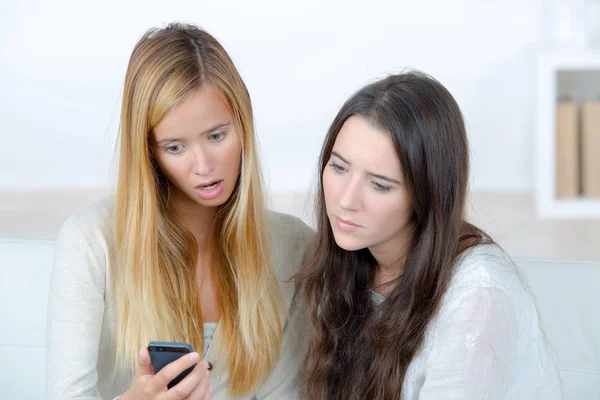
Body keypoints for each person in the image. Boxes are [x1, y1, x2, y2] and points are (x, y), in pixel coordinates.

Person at [46, 22, 313, 400]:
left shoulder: (295, 246)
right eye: (175, 147)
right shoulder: (91, 241)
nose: (203, 166)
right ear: (149, 152)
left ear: (244, 125)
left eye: (217, 136)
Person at [298, 71, 562, 399]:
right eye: (338, 168)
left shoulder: (477, 297)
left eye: (379, 184)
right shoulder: (354, 258)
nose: (346, 200)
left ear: (426, 194)